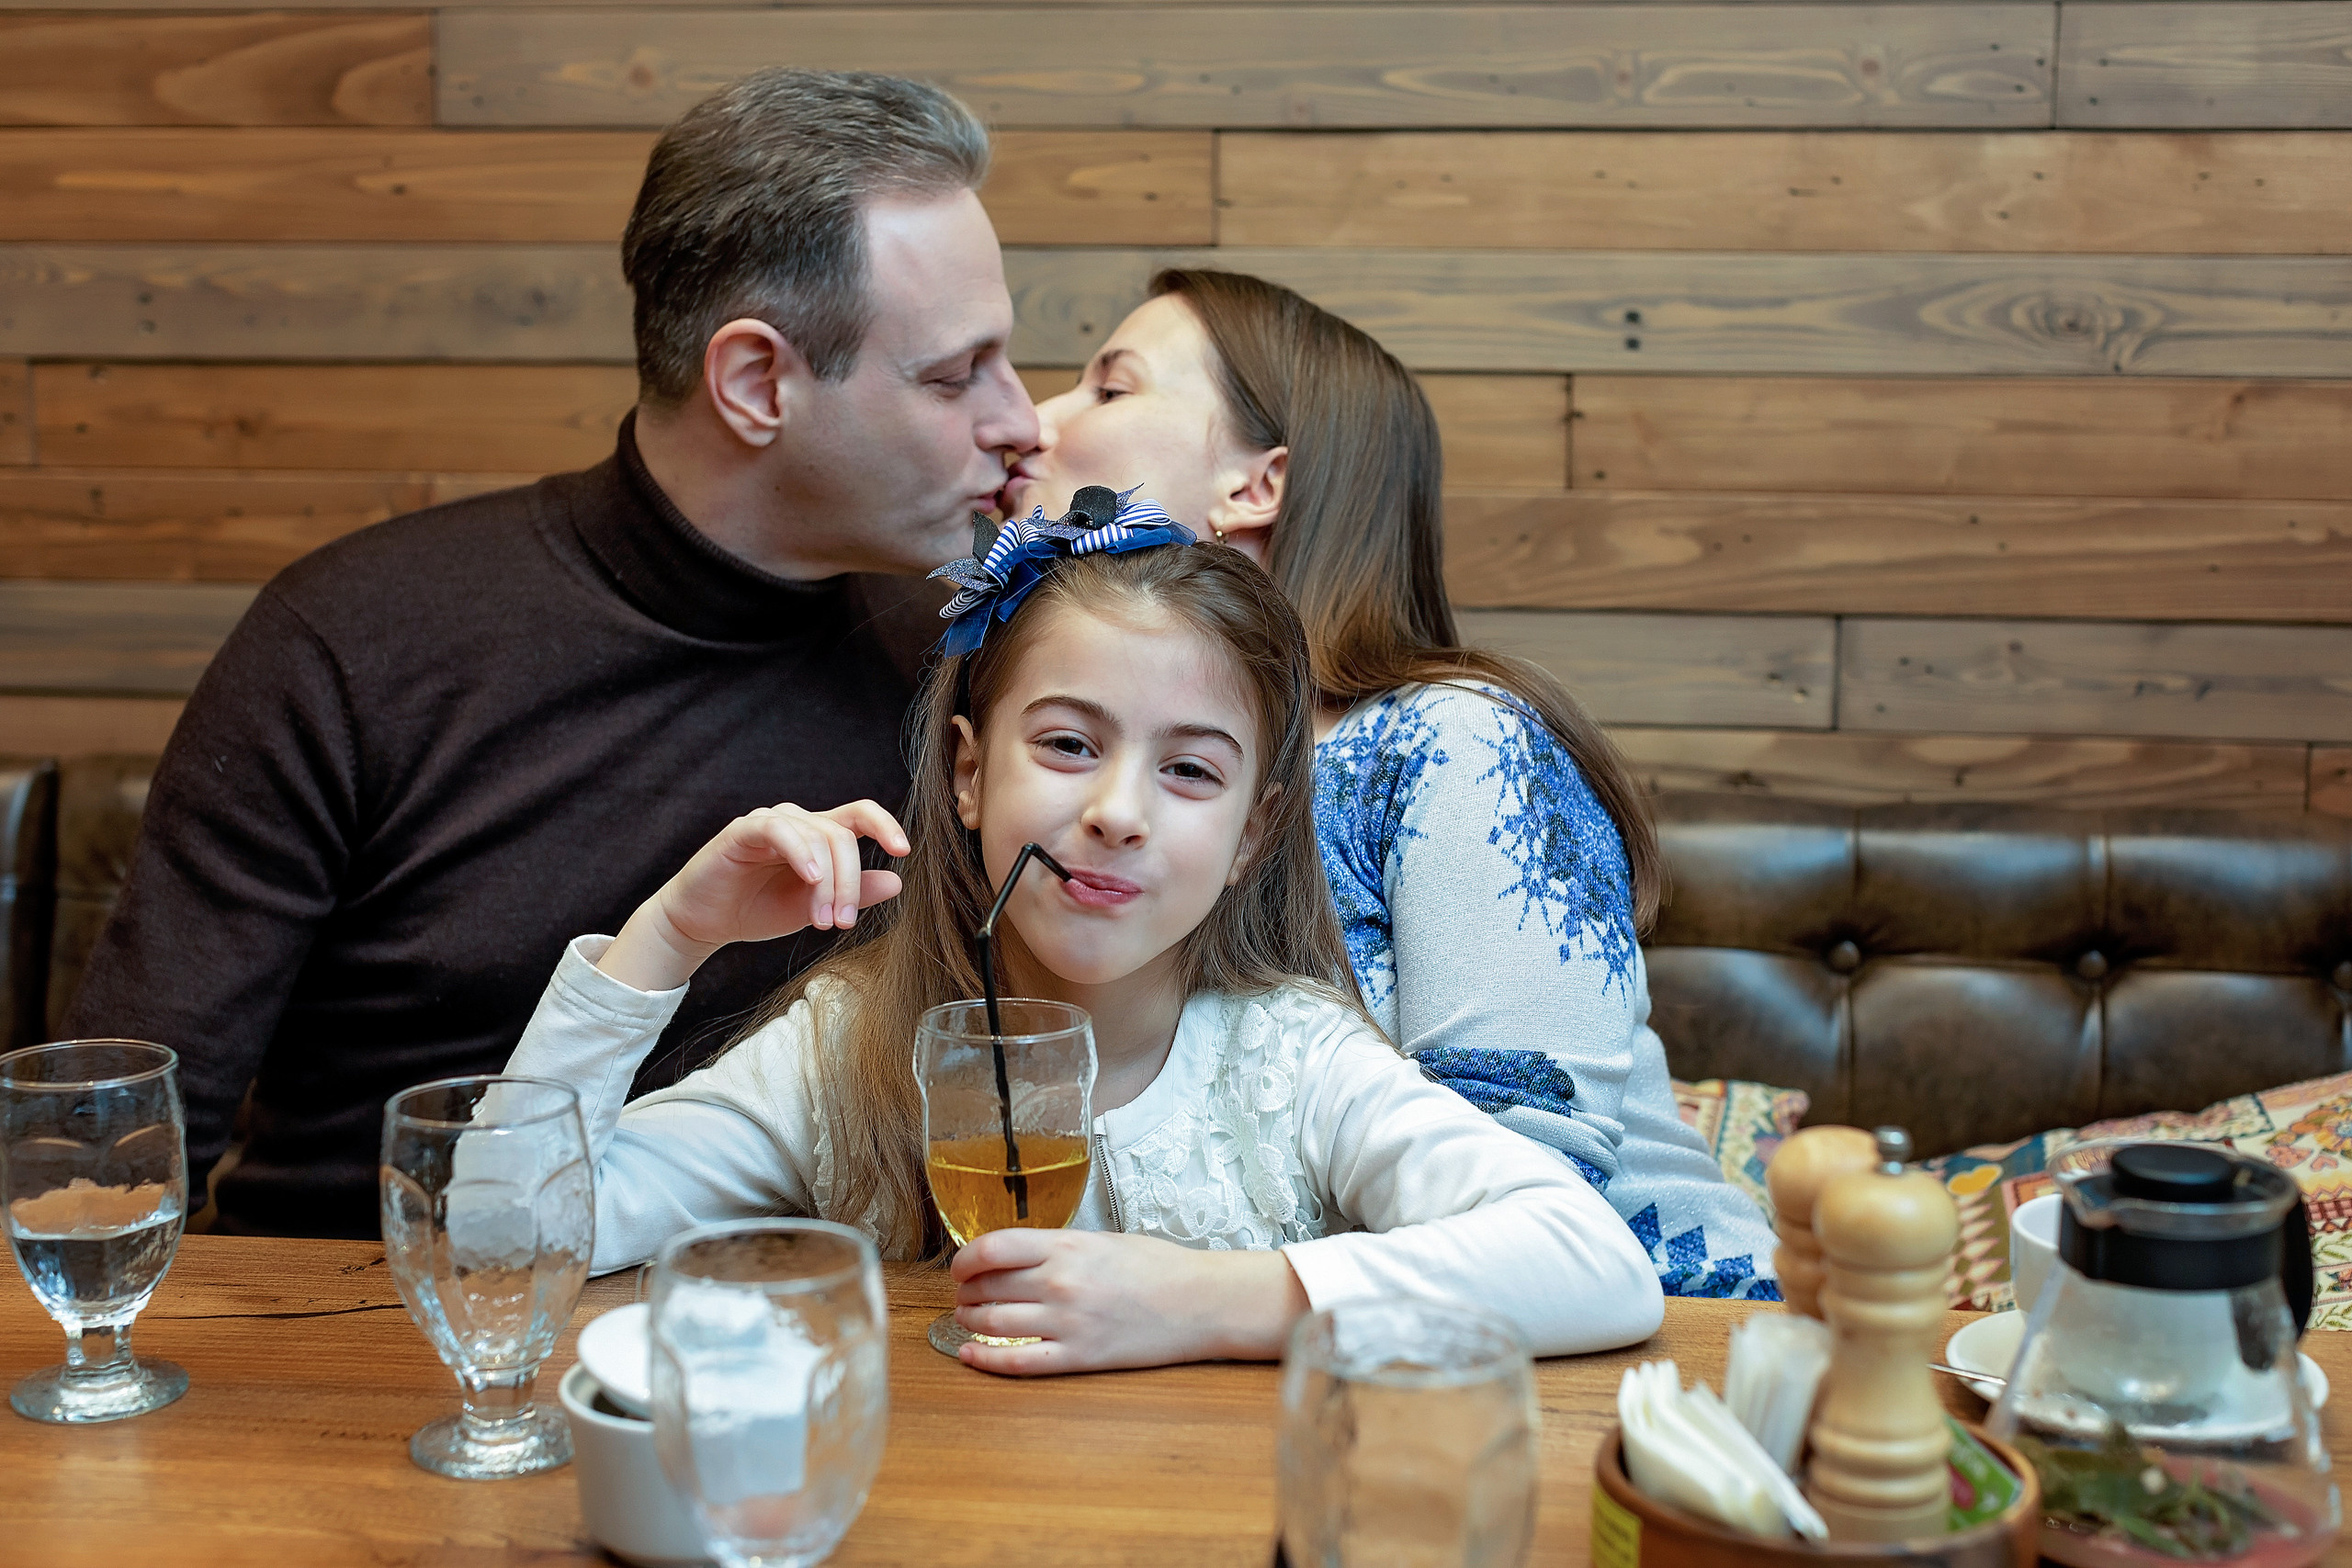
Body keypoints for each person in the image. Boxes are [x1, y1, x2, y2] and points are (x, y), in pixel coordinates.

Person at [60, 70, 1039, 1238]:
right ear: (754, 383)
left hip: (822, 1321)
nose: (1020, 420)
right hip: (375, 1309)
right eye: (954, 375)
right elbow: (109, 1153)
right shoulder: (358, 639)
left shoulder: (962, 656)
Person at [502, 513, 1665, 1373]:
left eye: (1190, 770)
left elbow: (1592, 1262)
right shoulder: (845, 1048)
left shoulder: (1294, 1062)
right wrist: (670, 935)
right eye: (1067, 745)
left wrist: (1208, 1302)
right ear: (968, 774)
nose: (1117, 812)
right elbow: (505, 1241)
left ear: (1254, 832)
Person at [995, 269, 1781, 1298]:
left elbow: (1530, 1183)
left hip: (1634, 1334)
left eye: (1110, 388)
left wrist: (1185, 1303)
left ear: (1255, 488)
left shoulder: (1456, 741)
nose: (1033, 418)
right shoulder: (1051, 767)